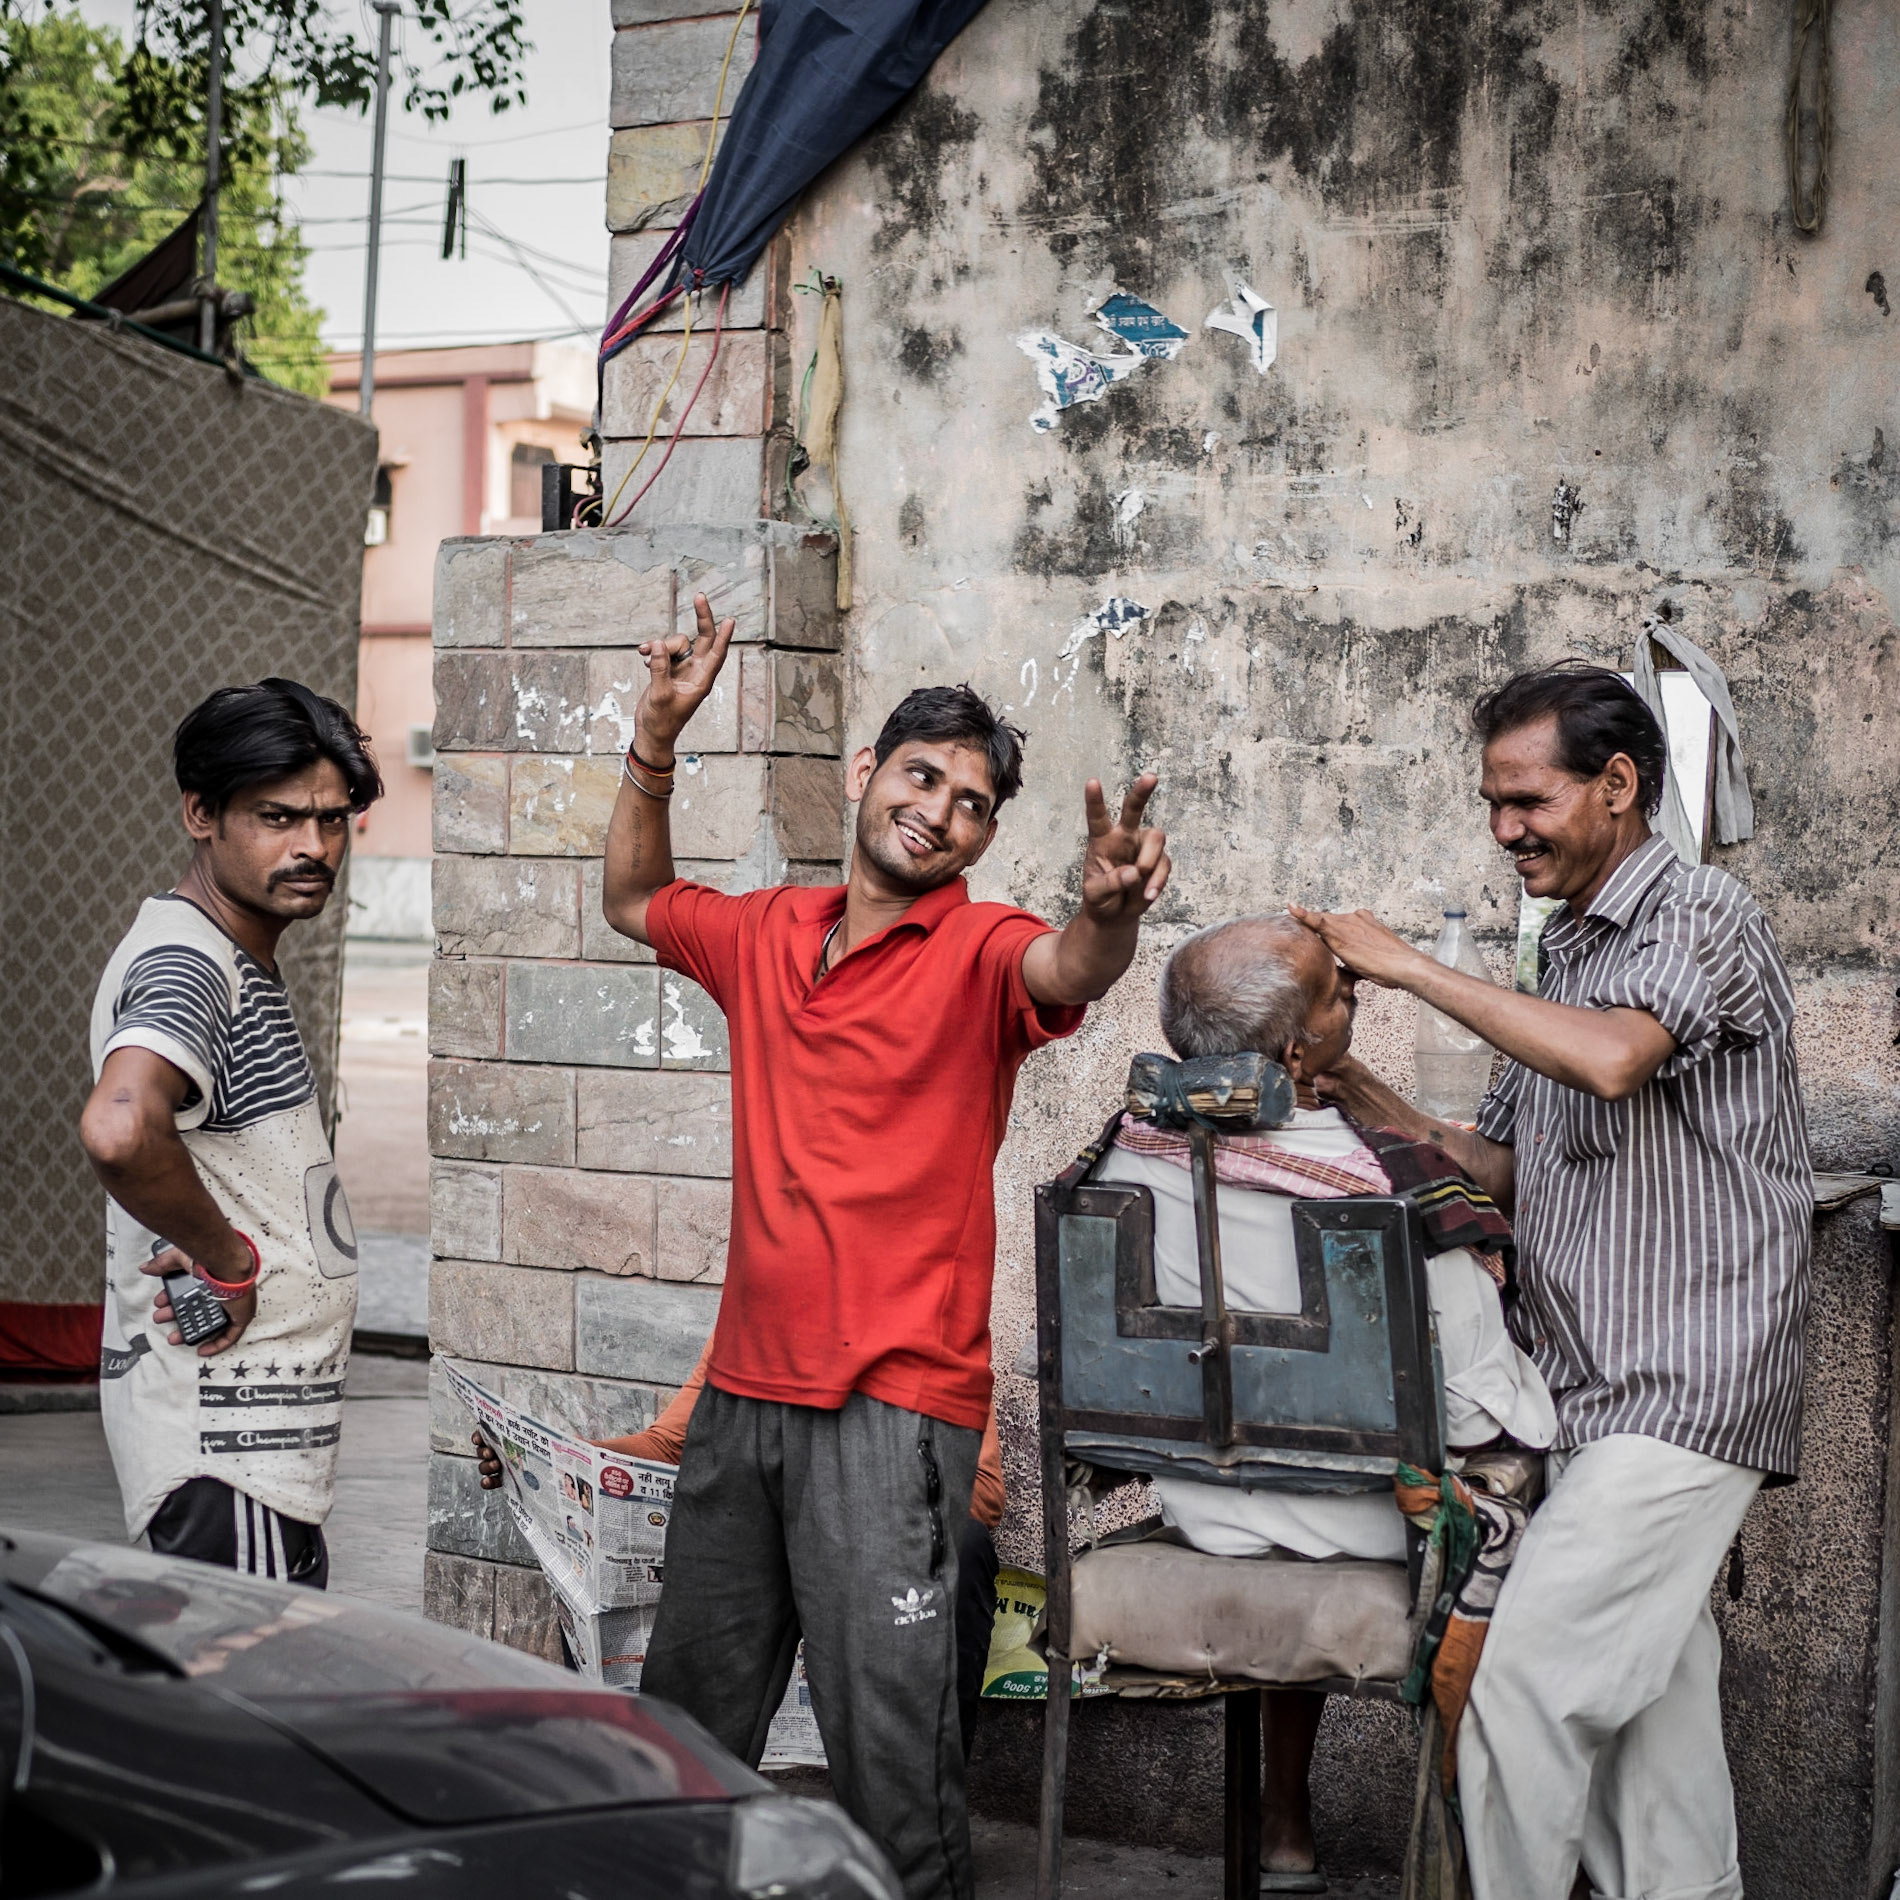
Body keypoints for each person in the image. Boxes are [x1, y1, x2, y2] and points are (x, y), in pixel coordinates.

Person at [596, 593, 1170, 1900]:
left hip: (892, 1417)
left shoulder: (980, 950)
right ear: (867, 773)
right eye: (924, 777)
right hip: (741, 1409)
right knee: (683, 1754)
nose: (941, 811)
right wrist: (655, 736)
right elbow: (633, 895)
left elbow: (1068, 968)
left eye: (972, 804)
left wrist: (1112, 910)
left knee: (895, 1796)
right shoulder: (766, 934)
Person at [1293, 663, 1810, 1900]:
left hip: (1685, 1385)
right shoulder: (1561, 953)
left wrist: (1409, 966)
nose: (1503, 828)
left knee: (1519, 1687)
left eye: (1526, 799)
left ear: (1618, 785)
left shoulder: (1700, 912)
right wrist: (1350, 1082)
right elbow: (1495, 1168)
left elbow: (1619, 1059)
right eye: (1491, 802)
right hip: (1582, 1394)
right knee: (1652, 1752)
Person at [1096, 913, 1553, 1889]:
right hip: (1362, 1523)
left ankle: (1285, 1826)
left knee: (1297, 1455)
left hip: (1205, 1508)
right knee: (1531, 1498)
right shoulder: (1386, 1186)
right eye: (1340, 993)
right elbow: (1483, 1411)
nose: (1358, 1001)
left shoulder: (1119, 1157)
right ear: (1300, 1047)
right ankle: (1506, 1855)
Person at [79, 681, 383, 1588]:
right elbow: (122, 1126)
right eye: (278, 817)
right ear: (201, 813)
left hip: (256, 1457)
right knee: (249, 1714)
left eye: (333, 821)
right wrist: (229, 1261)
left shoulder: (231, 956)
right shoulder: (191, 960)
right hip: (224, 1455)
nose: (313, 848)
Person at [476, 1335, 1008, 1762]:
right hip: (758, 1540)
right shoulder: (755, 1327)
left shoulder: (936, 1335)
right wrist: (562, 1459)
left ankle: (923, 1794)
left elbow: (983, 1492)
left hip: (870, 1535)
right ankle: (653, 1783)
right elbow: (668, 1444)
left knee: (966, 1543)